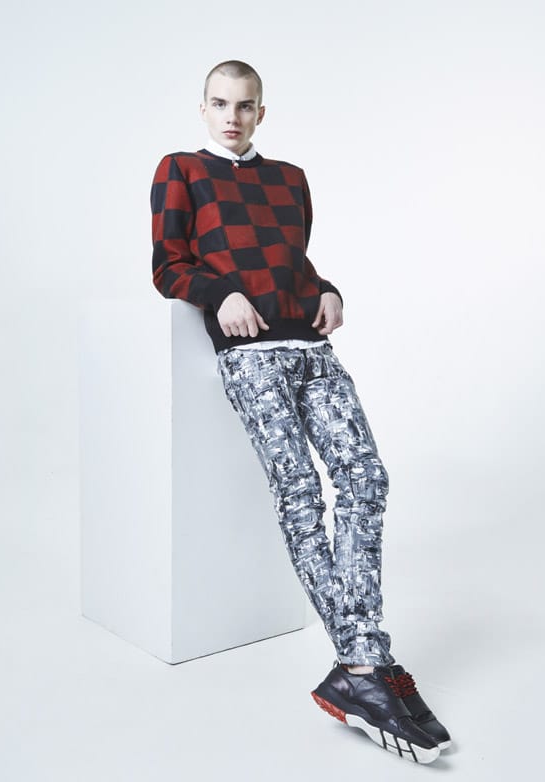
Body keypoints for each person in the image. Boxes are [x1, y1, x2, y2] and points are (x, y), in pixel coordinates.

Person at [150, 59, 451, 764]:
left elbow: (292, 261)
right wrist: (218, 293)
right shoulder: (180, 169)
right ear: (202, 108)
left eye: (244, 106)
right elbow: (167, 264)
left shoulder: (290, 179)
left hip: (311, 347)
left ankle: (360, 667)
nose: (232, 117)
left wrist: (327, 288)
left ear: (261, 111)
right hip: (250, 356)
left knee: (366, 479)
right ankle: (366, 663)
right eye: (220, 104)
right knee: (301, 494)